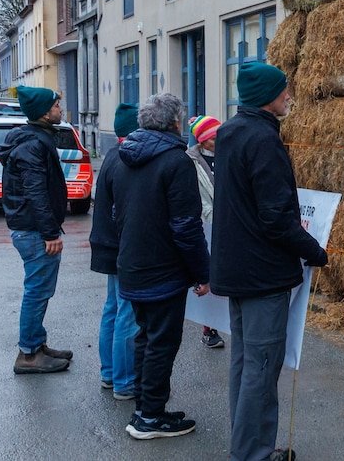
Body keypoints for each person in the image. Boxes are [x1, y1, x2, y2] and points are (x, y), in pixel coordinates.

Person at [212, 62, 329, 461]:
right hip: (262, 273)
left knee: (246, 364)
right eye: (283, 90)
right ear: (268, 97)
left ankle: (246, 445)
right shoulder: (263, 139)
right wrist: (315, 251)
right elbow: (276, 218)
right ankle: (253, 454)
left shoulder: (229, 132)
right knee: (261, 369)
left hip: (237, 268)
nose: (289, 95)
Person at [111, 93, 211, 440]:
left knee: (146, 338)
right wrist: (202, 272)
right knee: (161, 344)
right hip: (162, 269)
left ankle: (145, 408)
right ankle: (150, 417)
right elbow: (186, 225)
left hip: (133, 264)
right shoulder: (175, 161)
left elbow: (116, 213)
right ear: (175, 122)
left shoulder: (124, 156)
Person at [0, 85, 71, 375]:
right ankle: (28, 354)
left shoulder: (35, 138)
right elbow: (36, 192)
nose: (60, 109)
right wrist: (50, 233)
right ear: (43, 113)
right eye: (55, 106)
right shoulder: (32, 144)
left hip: (31, 227)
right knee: (37, 292)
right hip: (34, 231)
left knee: (39, 289)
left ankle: (37, 343)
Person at [90, 103, 140, 399]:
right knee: (127, 313)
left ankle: (109, 373)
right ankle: (124, 381)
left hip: (107, 244)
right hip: (121, 247)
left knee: (113, 308)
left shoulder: (111, 155)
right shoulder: (127, 159)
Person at [187, 114, 225, 349]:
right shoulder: (191, 162)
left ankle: (226, 322)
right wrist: (215, 217)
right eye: (213, 138)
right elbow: (198, 200)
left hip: (227, 222)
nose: (217, 141)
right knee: (207, 274)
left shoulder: (228, 155)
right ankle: (208, 328)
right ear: (202, 140)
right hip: (207, 223)